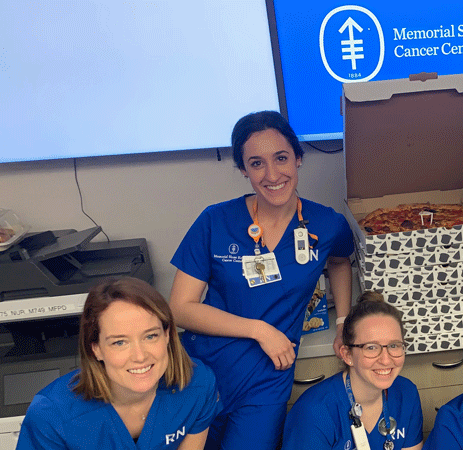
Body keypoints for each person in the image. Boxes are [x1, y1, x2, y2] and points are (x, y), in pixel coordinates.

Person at [168, 111, 353, 450]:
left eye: (281, 158)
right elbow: (180, 308)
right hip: (199, 371)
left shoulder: (327, 224)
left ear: (298, 158)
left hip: (266, 381)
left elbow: (341, 263)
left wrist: (342, 320)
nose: (272, 175)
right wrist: (260, 330)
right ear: (243, 170)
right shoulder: (215, 221)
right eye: (256, 163)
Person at [17, 277, 220, 450]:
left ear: (167, 335)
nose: (139, 356)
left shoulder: (198, 386)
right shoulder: (52, 415)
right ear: (95, 348)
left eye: (150, 336)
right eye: (119, 342)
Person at [282, 292, 423, 450]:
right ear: (347, 355)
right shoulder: (314, 412)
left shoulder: (406, 393)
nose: (385, 360)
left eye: (394, 345)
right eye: (371, 347)